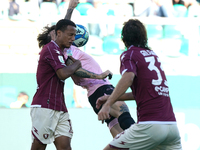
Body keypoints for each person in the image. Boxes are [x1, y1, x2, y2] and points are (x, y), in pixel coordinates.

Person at [37, 0, 136, 138]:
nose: (69, 35)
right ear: (54, 36)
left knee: (117, 131)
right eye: (55, 32)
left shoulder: (64, 48)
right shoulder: (62, 53)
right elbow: (75, 70)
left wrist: (70, 9)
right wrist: (99, 76)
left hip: (94, 93)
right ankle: (144, 142)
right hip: (100, 88)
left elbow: (64, 25)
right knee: (123, 113)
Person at [97, 19, 182, 150]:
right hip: (171, 127)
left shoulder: (129, 54)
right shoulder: (153, 56)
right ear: (144, 36)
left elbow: (128, 77)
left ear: (123, 38)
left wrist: (108, 105)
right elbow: (143, 92)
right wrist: (110, 98)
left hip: (150, 126)